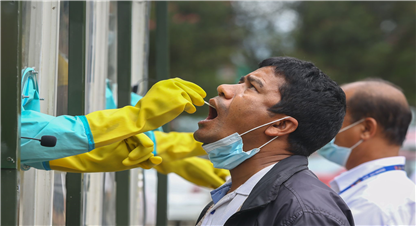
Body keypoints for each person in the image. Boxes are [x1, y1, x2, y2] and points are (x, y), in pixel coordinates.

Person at [194, 56, 354, 225]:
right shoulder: (229, 197)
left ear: (280, 125)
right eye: (241, 82)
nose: (224, 88)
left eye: (252, 87)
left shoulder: (305, 212)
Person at [318, 79, 415, 225]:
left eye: (335, 120)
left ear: (366, 129)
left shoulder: (371, 203)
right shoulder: (393, 191)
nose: (326, 131)